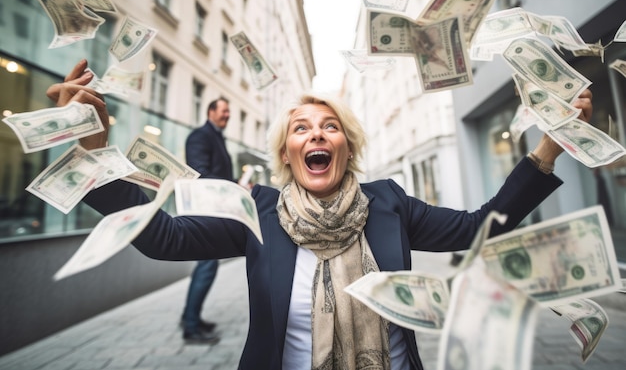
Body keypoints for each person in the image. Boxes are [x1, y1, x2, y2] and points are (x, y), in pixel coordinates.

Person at [47, 59, 593, 370]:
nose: (316, 134)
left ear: (346, 148)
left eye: (329, 127)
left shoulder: (389, 202)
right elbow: (161, 237)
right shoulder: (257, 210)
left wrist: (548, 149)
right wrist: (92, 153)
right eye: (301, 128)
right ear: (287, 153)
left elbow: (479, 228)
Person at [180, 97, 234, 343]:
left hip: (213, 211)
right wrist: (233, 188)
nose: (228, 114)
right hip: (204, 211)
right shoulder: (200, 136)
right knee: (207, 266)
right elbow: (200, 173)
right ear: (211, 112)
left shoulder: (217, 137)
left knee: (205, 266)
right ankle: (191, 328)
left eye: (228, 111)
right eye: (224, 110)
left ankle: (190, 317)